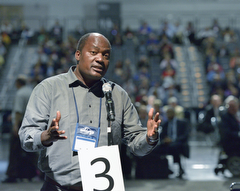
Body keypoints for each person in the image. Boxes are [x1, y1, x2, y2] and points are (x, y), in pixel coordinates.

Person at [18, 33, 161, 191]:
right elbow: (26, 136)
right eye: (93, 52)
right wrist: (45, 136)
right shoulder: (48, 89)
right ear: (78, 55)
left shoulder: (118, 95)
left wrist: (149, 138)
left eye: (106, 55)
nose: (100, 59)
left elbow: (136, 143)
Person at [2, 75, 38, 183]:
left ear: (18, 83)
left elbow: (18, 111)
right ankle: (31, 173)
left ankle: (12, 174)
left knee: (14, 150)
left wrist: (15, 126)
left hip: (21, 124)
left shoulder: (20, 93)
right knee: (30, 150)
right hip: (33, 123)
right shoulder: (31, 91)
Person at [154, 106, 190, 179]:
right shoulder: (165, 124)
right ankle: (162, 168)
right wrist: (165, 139)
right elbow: (162, 135)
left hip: (179, 143)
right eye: (167, 113)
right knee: (155, 149)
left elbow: (185, 135)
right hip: (167, 144)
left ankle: (180, 168)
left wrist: (173, 140)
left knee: (174, 147)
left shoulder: (182, 123)